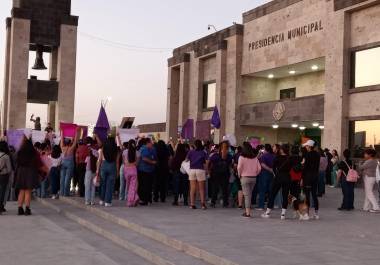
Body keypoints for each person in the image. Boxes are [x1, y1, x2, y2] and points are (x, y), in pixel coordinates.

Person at [15, 138, 48, 215]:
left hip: (21, 172)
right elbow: (39, 163)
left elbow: (16, 162)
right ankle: (27, 209)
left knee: (21, 191)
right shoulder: (34, 152)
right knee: (28, 191)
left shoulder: (20, 152)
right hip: (30, 172)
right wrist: (46, 169)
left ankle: (20, 209)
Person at [261, 144, 292, 220]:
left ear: (281, 150)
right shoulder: (289, 158)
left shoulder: (277, 157)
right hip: (287, 177)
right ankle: (283, 215)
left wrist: (275, 174)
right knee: (285, 195)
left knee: (272, 194)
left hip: (278, 177)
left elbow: (273, 167)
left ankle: (268, 213)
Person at [237, 142, 261, 217]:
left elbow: (239, 167)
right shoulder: (255, 158)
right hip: (253, 178)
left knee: (247, 195)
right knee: (249, 194)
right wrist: (255, 174)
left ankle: (247, 213)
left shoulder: (241, 157)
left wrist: (239, 174)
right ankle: (247, 211)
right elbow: (259, 168)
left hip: (245, 177)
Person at [209, 141, 233, 208]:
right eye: (223, 147)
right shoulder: (228, 156)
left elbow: (210, 164)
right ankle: (223, 203)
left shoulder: (216, 155)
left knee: (219, 188)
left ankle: (215, 202)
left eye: (225, 147)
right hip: (220, 174)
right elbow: (230, 165)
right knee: (221, 189)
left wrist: (209, 171)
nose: (224, 149)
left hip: (220, 174)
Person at [301, 140, 320, 219]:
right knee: (314, 195)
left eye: (306, 146)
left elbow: (305, 168)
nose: (305, 147)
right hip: (315, 176)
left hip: (308, 177)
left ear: (309, 146)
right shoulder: (318, 155)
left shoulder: (307, 155)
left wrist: (303, 164)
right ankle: (316, 213)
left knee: (307, 195)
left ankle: (307, 214)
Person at [96, 137, 118, 207]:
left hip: (104, 165)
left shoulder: (103, 148)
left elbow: (99, 160)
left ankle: (102, 200)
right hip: (112, 165)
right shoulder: (116, 149)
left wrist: (97, 170)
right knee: (110, 185)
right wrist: (117, 171)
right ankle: (107, 202)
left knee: (103, 184)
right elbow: (117, 161)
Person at [187, 140, 208, 210]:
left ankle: (192, 204)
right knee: (201, 188)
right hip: (200, 170)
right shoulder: (203, 152)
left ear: (195, 145)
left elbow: (186, 160)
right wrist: (207, 170)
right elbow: (206, 163)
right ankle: (203, 204)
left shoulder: (191, 152)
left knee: (192, 188)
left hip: (192, 170)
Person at [60, 128, 80, 196]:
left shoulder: (62, 147)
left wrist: (62, 131)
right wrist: (76, 133)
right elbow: (75, 142)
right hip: (70, 164)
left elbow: (62, 140)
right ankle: (66, 193)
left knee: (62, 178)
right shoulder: (71, 148)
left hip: (63, 163)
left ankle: (62, 192)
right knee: (67, 178)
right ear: (69, 142)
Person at [137, 138, 157, 205]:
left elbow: (155, 157)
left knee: (148, 185)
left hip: (149, 170)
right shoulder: (143, 149)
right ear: (147, 143)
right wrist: (152, 162)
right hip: (143, 170)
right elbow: (144, 158)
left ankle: (148, 199)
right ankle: (144, 200)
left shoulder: (152, 149)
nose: (152, 143)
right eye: (150, 142)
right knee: (144, 185)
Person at [257, 144, 275, 210]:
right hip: (272, 174)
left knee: (262, 190)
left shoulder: (263, 156)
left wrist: (269, 169)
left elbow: (262, 164)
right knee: (271, 190)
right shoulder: (274, 155)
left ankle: (261, 206)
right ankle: (270, 205)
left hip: (264, 173)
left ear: (265, 149)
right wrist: (272, 170)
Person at [124, 140, 139, 207]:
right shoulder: (136, 152)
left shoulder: (125, 152)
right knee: (133, 186)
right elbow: (137, 163)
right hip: (134, 169)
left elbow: (124, 162)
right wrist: (132, 164)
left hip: (126, 170)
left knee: (129, 186)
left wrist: (128, 164)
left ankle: (131, 201)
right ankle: (134, 198)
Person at [0, 141, 12, 214]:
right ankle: (1, 206)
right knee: (2, 191)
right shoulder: (6, 156)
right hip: (3, 176)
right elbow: (9, 169)